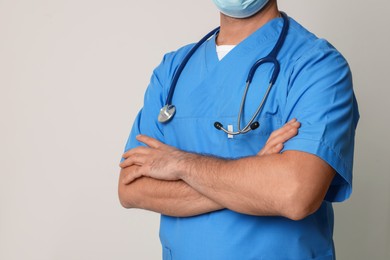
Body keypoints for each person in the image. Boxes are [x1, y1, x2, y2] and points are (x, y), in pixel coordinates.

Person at [118, 0, 359, 259]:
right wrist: (254, 177)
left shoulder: (317, 65)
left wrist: (181, 165)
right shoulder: (173, 70)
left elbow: (295, 194)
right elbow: (131, 188)